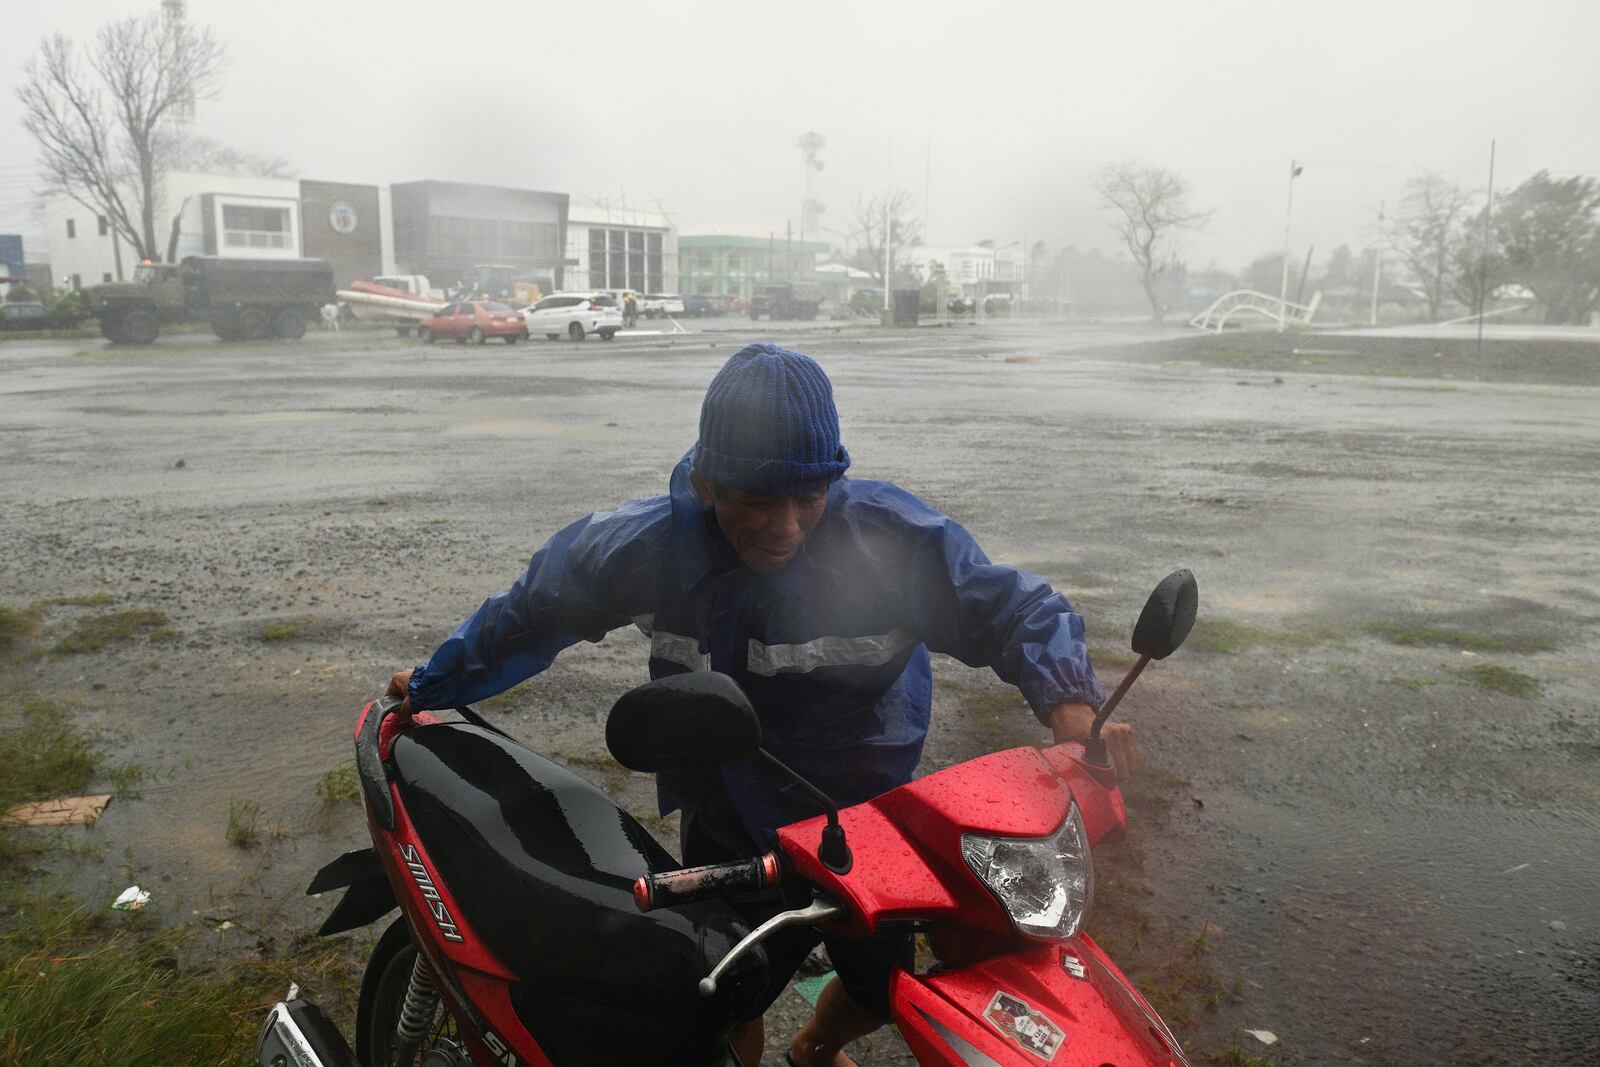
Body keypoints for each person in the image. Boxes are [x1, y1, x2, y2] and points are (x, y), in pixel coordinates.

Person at [387, 342, 1138, 1067]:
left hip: (867, 812)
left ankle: (814, 1047)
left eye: (809, 497)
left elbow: (1012, 607)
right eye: (756, 499)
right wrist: (429, 686)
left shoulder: (892, 542)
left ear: (832, 481)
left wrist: (1071, 702)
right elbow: (533, 609)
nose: (785, 528)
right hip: (733, 811)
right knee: (720, 995)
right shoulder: (646, 548)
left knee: (884, 984)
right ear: (708, 481)